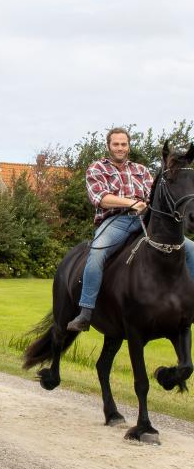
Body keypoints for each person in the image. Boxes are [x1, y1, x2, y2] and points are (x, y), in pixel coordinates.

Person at [67, 127, 194, 331]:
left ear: (128, 146)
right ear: (108, 146)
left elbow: (155, 197)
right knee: (96, 254)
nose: (120, 148)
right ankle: (86, 312)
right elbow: (100, 198)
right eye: (116, 144)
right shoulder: (97, 168)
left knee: (191, 249)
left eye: (123, 144)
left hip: (146, 220)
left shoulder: (141, 170)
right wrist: (130, 203)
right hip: (115, 221)